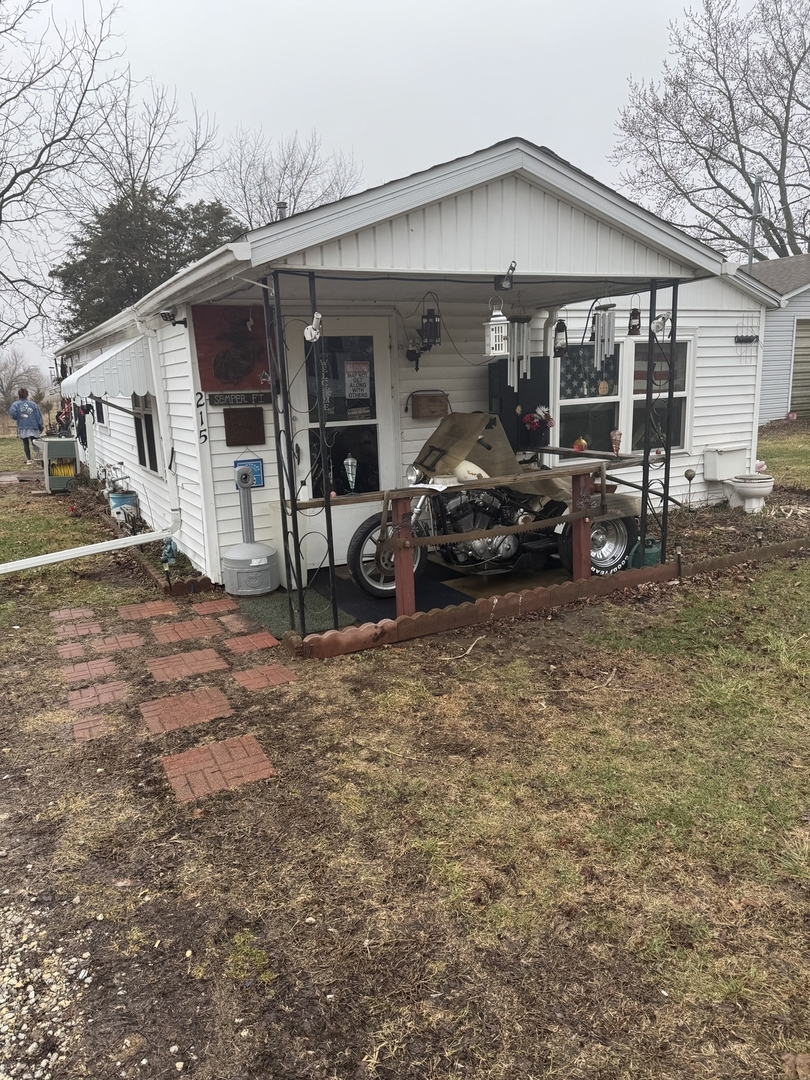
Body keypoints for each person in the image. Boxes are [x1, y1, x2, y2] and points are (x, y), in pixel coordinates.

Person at [8, 388, 44, 466]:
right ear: (27, 394)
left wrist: (17, 416)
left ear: (19, 395)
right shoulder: (33, 404)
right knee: (35, 442)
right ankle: (38, 457)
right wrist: (40, 425)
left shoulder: (15, 404)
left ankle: (29, 460)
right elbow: (38, 416)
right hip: (33, 425)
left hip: (22, 425)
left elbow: (12, 413)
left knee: (25, 443)